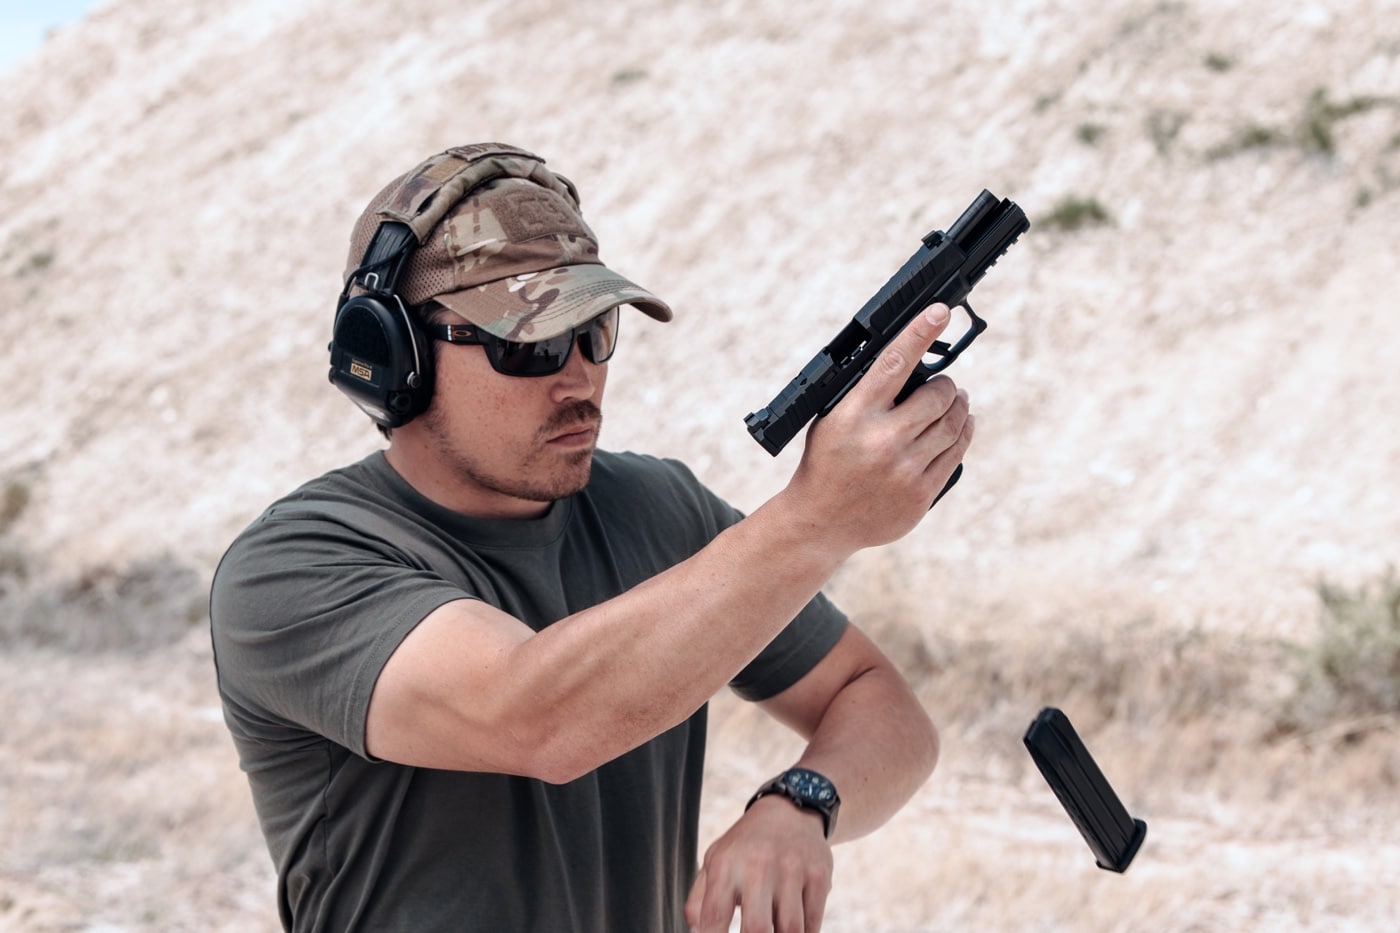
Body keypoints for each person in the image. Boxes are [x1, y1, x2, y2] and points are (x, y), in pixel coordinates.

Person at [210, 142, 974, 933]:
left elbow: (884, 709)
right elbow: (539, 716)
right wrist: (816, 519)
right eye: (530, 344)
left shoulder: (658, 507)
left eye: (594, 331)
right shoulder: (291, 567)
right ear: (391, 352)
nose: (578, 378)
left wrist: (802, 803)